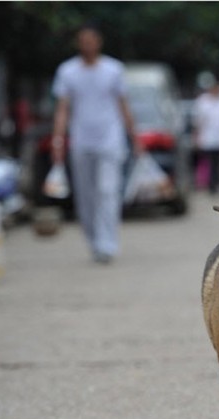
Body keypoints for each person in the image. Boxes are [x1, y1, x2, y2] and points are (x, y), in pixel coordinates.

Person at [51, 23, 141, 264]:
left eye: (91, 40)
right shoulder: (67, 71)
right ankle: (94, 241)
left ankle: (107, 244)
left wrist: (135, 138)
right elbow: (62, 109)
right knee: (86, 196)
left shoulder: (113, 69)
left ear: (98, 42)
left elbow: (124, 105)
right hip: (81, 141)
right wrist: (58, 139)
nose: (87, 45)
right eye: (83, 40)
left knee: (107, 191)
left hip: (110, 141)